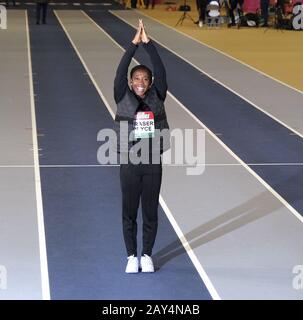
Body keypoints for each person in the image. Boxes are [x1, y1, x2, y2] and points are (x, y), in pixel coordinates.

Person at [113, 19, 170, 273]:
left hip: (151, 163)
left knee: (150, 212)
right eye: (136, 78)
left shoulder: (157, 96)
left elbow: (161, 70)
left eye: (145, 78)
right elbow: (119, 72)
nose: (140, 81)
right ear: (130, 80)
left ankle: (146, 255)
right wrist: (133, 45)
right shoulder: (122, 95)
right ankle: (130, 256)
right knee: (129, 212)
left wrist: (149, 44)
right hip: (129, 163)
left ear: (150, 82)